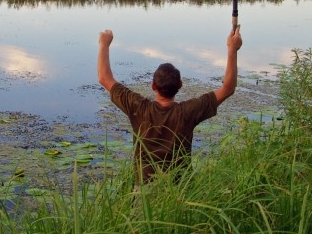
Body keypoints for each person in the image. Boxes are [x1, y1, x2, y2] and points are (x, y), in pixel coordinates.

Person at [97, 26, 243, 186]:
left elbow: (104, 78)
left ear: (153, 86)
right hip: (181, 192)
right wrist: (232, 49)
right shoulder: (188, 111)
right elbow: (228, 88)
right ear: (180, 85)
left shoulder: (138, 108)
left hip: (144, 195)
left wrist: (104, 44)